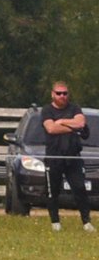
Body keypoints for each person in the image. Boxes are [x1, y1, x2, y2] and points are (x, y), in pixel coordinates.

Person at [41, 81, 94, 232]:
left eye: (65, 93)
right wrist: (72, 127)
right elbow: (51, 128)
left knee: (80, 189)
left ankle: (86, 222)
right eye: (59, 93)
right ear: (53, 94)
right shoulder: (47, 110)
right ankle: (55, 222)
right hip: (54, 157)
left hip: (73, 157)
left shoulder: (74, 108)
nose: (62, 96)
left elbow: (81, 123)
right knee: (53, 191)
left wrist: (62, 122)